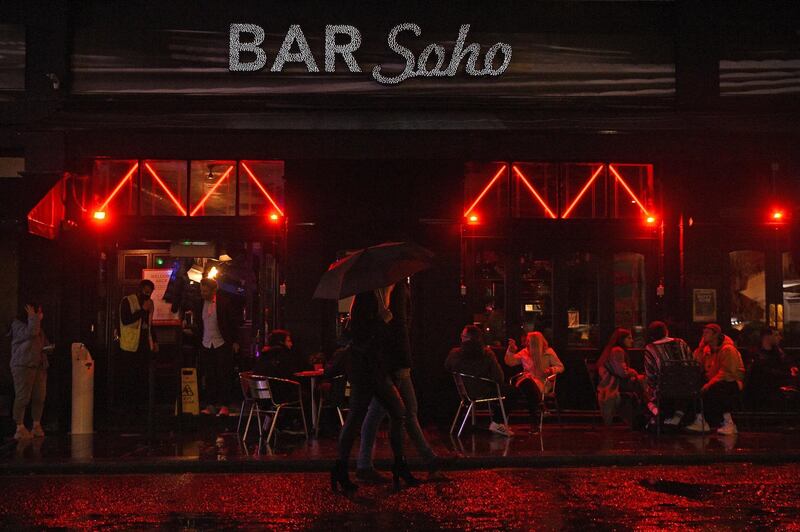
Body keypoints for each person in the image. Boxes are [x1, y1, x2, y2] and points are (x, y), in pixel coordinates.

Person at [332, 286, 417, 493]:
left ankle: (397, 464)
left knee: (397, 412)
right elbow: (360, 332)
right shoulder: (366, 296)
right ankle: (342, 468)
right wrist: (383, 319)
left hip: (377, 367)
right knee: (361, 416)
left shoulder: (386, 295)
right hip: (365, 367)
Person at [356, 280, 442, 483]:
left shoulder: (372, 292)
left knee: (395, 412)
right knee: (396, 412)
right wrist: (405, 361)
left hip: (382, 363)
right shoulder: (395, 289)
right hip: (394, 363)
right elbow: (400, 327)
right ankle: (369, 465)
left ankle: (429, 460)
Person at [446, 324, 512, 436]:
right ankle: (497, 423)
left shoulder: (454, 353)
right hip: (483, 391)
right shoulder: (486, 353)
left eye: (463, 336)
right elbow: (499, 377)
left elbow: (447, 367)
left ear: (468, 338)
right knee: (512, 391)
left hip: (463, 392)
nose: (461, 338)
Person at [193, 278, 241, 416]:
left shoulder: (224, 303)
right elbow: (199, 323)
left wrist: (234, 341)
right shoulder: (199, 303)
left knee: (224, 375)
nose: (202, 293)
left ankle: (225, 404)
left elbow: (232, 323)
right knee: (209, 375)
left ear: (214, 290)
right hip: (206, 342)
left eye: (205, 291)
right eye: (201, 290)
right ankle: (210, 404)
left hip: (221, 342)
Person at [687, 324, 745, 435]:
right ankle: (701, 420)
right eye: (703, 333)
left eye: (707, 333)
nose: (704, 335)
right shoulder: (707, 350)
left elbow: (727, 373)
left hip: (731, 382)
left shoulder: (728, 349)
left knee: (719, 388)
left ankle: (729, 423)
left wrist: (708, 385)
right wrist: (700, 348)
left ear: (716, 335)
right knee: (694, 385)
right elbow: (696, 364)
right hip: (714, 380)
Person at [504, 331, 564, 433]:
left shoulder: (548, 352)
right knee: (527, 382)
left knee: (529, 390)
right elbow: (510, 362)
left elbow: (560, 367)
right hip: (525, 381)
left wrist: (550, 370)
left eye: (528, 341)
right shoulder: (524, 352)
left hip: (542, 381)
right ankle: (539, 408)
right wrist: (511, 350)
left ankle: (535, 418)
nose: (526, 343)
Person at [643, 321, 694, 426]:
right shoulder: (681, 343)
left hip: (664, 389)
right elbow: (692, 362)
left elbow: (650, 374)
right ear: (666, 331)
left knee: (642, 389)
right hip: (687, 386)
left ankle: (657, 413)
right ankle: (677, 416)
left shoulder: (650, 348)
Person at [10, 303, 49, 440]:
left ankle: (36, 424)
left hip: (38, 365)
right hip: (23, 365)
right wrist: (33, 317)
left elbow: (39, 339)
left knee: (39, 396)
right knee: (23, 396)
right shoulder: (18, 325)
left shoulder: (37, 325)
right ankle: (19, 427)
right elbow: (31, 332)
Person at [118, 280, 159, 411]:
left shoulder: (150, 303)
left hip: (144, 345)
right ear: (140, 289)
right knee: (129, 376)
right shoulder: (127, 301)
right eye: (146, 291)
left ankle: (142, 405)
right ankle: (127, 406)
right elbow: (126, 320)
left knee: (142, 376)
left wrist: (155, 341)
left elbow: (149, 323)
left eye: (150, 292)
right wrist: (143, 310)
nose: (148, 294)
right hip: (129, 345)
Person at [595, 328, 646, 425]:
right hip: (615, 385)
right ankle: (648, 410)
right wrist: (633, 371)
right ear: (622, 339)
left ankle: (642, 412)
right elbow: (622, 373)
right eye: (629, 338)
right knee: (643, 381)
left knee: (641, 382)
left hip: (617, 383)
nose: (632, 340)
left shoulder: (613, 350)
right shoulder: (617, 351)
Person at [746, 327, 798, 410]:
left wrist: (792, 367)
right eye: (776, 335)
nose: (780, 338)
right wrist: (788, 375)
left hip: (775, 385)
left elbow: (786, 362)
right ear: (767, 337)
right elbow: (766, 373)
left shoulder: (777, 351)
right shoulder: (757, 355)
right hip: (764, 390)